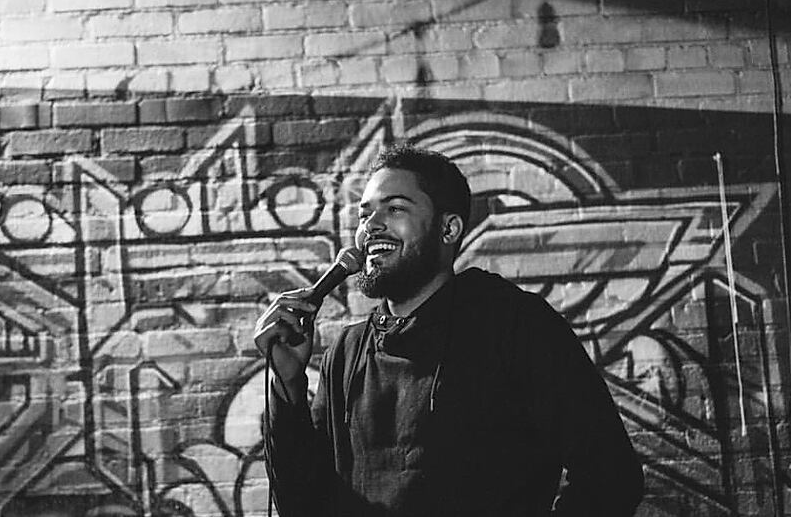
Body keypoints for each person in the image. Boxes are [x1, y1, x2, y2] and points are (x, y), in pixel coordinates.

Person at [254, 144, 644, 516]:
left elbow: (611, 476)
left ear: (449, 228)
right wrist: (287, 384)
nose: (371, 226)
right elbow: (306, 505)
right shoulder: (347, 352)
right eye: (364, 214)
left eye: (395, 208)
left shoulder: (513, 324)